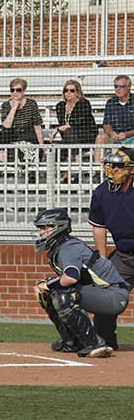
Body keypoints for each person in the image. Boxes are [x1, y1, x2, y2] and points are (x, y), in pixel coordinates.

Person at [33, 208, 129, 358]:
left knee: (63, 295)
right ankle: (72, 342)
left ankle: (95, 344)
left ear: (59, 227)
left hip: (114, 295)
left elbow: (71, 277)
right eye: (41, 228)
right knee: (49, 294)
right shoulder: (61, 246)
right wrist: (49, 286)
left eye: (46, 227)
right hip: (101, 292)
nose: (41, 232)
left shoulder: (68, 247)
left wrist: (49, 284)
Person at [88, 146, 134, 350]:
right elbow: (99, 227)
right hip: (124, 256)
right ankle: (104, 340)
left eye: (118, 166)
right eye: (110, 165)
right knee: (106, 295)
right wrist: (103, 260)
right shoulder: (101, 192)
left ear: (132, 169)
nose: (112, 170)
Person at [49, 79, 97, 181]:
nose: (68, 93)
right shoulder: (60, 106)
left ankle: (75, 170)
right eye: (66, 90)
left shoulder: (84, 103)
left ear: (78, 92)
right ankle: (62, 175)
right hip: (69, 137)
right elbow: (63, 125)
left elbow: (78, 121)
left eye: (72, 90)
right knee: (55, 147)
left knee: (70, 132)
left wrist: (59, 129)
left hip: (87, 135)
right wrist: (62, 128)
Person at [0, 78, 44, 163]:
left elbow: (37, 125)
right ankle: (2, 159)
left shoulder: (31, 104)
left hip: (28, 134)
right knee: (4, 132)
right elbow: (6, 125)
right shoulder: (5, 105)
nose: (15, 92)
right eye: (12, 90)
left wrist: (41, 146)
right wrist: (14, 108)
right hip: (13, 134)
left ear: (23, 91)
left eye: (18, 90)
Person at [94, 75, 134, 162]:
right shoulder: (110, 102)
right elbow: (106, 125)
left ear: (129, 87)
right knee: (100, 137)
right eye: (116, 86)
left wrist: (127, 134)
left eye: (121, 86)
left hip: (132, 138)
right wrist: (111, 133)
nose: (118, 89)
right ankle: (97, 172)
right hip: (115, 139)